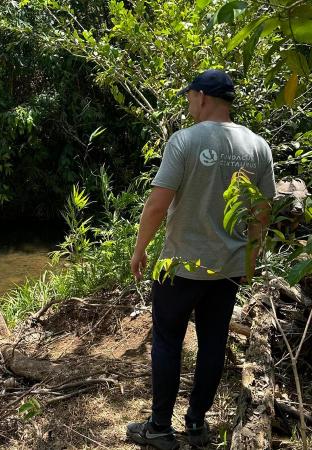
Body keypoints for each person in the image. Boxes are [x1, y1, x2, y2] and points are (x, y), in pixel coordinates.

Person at [125, 69, 276, 450]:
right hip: (226, 268)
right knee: (211, 342)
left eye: (190, 96)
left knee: (167, 340)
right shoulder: (258, 146)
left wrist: (140, 248)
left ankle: (160, 428)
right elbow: (262, 212)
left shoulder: (184, 141)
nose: (188, 103)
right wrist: (250, 260)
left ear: (204, 97)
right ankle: (196, 425)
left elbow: (158, 204)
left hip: (179, 266)